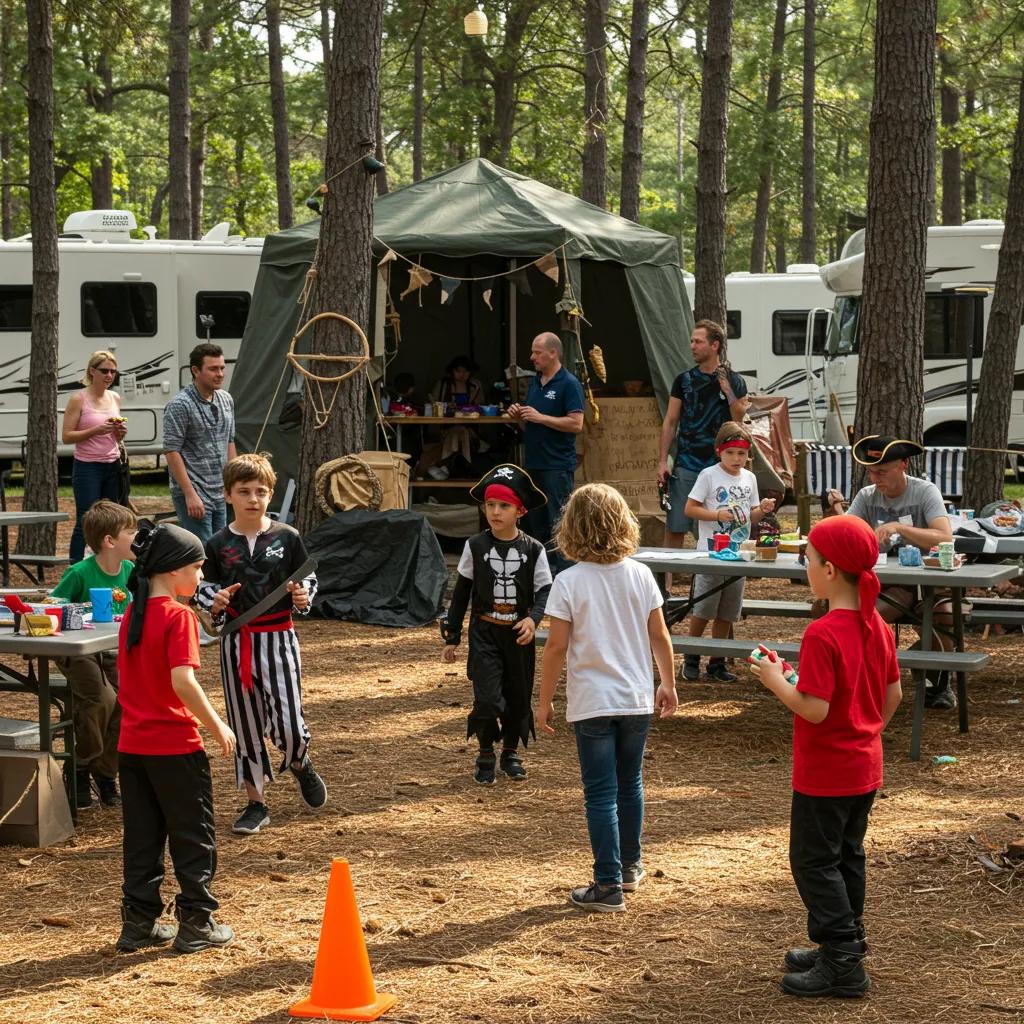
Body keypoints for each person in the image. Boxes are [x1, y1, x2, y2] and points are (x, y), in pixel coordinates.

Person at [749, 514, 902, 997]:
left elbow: (814, 711)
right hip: (863, 766)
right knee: (846, 856)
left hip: (825, 773)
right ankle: (845, 944)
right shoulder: (876, 623)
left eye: (808, 559)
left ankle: (843, 961)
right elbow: (892, 694)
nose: (805, 566)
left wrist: (776, 682)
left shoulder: (823, 631)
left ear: (830, 570)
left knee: (814, 862)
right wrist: (865, 730)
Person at [536, 484, 678, 913]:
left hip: (593, 702)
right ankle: (630, 867)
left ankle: (607, 883)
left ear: (572, 527)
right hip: (635, 698)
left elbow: (556, 648)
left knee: (599, 792)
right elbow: (660, 635)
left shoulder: (568, 581)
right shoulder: (640, 574)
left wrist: (543, 701)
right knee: (629, 784)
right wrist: (668, 683)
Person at [116, 522, 236, 955]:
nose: (202, 578)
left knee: (142, 837)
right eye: (198, 568)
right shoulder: (179, 616)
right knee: (193, 835)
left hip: (132, 747)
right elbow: (182, 681)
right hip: (175, 748)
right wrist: (216, 723)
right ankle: (197, 923)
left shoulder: (134, 612)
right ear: (171, 571)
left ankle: (138, 923)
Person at [195, 453, 325, 836]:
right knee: (245, 724)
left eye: (261, 491)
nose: (253, 498)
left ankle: (299, 762)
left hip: (279, 638)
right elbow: (200, 587)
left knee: (288, 724)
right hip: (237, 643)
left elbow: (308, 577)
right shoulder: (217, 544)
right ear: (228, 495)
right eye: (244, 491)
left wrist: (303, 595)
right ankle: (256, 802)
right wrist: (213, 601)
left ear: (270, 495)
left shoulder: (287, 537)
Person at [825, 435, 957, 709]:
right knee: (837, 611)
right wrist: (835, 515)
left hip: (926, 583)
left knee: (944, 615)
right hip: (882, 583)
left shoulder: (924, 491)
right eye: (871, 471)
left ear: (903, 464)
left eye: (882, 471)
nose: (875, 478)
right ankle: (849, 683)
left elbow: (945, 537)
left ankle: (938, 683)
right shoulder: (866, 496)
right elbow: (847, 531)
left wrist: (900, 528)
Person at [441, 464, 552, 784]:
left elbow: (545, 589)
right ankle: (486, 749)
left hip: (518, 635)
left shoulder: (533, 549)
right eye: (490, 505)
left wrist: (533, 620)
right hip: (485, 632)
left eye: (503, 506)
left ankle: (511, 753)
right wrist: (452, 635)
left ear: (520, 510)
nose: (495, 511)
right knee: (487, 698)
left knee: (517, 697)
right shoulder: (475, 547)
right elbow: (461, 593)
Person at [50, 500, 136, 809]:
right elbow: (52, 605)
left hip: (112, 652)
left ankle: (104, 774)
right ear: (109, 541)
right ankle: (79, 767)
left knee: (127, 702)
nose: (136, 536)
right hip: (80, 652)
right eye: (131, 531)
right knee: (102, 700)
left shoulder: (130, 570)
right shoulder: (80, 572)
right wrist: (76, 612)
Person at [681, 422, 776, 682]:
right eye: (731, 453)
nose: (736, 459)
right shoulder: (709, 475)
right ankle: (691, 656)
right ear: (719, 452)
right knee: (704, 608)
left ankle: (717, 661)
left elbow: (751, 516)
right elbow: (690, 508)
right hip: (711, 553)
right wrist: (716, 514)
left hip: (739, 553)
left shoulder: (750, 478)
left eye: (742, 453)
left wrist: (763, 509)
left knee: (727, 611)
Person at [657, 320, 749, 545]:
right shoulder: (684, 380)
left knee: (719, 525)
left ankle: (713, 575)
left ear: (715, 345)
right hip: (687, 462)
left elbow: (739, 418)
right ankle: (668, 580)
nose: (692, 346)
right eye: (691, 341)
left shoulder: (735, 380)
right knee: (676, 525)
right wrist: (662, 461)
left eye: (698, 341)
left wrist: (727, 389)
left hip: (720, 466)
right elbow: (670, 421)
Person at [508, 332, 585, 572]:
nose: (532, 357)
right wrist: (519, 417)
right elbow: (530, 424)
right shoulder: (534, 382)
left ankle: (565, 573)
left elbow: (577, 424)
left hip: (557, 464)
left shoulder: (569, 383)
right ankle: (542, 574)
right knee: (536, 522)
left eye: (537, 352)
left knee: (558, 522)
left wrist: (541, 417)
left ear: (553, 353)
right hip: (533, 462)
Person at [164, 343, 236, 544]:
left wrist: (234, 483)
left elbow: (229, 442)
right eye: (213, 369)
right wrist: (189, 493)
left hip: (221, 489)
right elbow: (171, 451)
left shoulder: (226, 399)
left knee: (222, 549)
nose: (220, 374)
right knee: (201, 553)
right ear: (195, 371)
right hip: (194, 490)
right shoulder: (180, 404)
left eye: (222, 368)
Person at [62, 350, 127, 563]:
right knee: (86, 519)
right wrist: (95, 430)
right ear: (92, 371)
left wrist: (119, 434)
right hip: (87, 467)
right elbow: (67, 436)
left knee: (112, 519)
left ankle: (108, 564)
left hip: (112, 463)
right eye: (104, 371)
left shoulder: (114, 397)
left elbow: (115, 436)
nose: (109, 376)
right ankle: (75, 568)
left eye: (113, 372)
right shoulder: (78, 399)